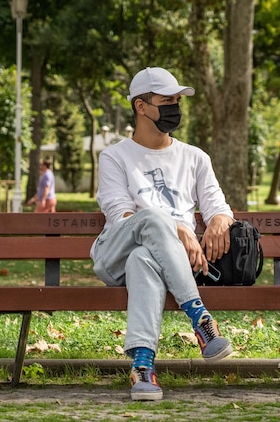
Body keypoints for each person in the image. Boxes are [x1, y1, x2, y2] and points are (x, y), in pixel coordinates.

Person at [90, 67, 234, 401]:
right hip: (115, 255)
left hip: (157, 262)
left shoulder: (195, 157)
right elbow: (122, 215)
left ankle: (143, 368)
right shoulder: (114, 156)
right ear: (141, 107)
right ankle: (200, 317)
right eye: (166, 100)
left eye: (177, 101)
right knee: (150, 223)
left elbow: (219, 207)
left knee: (145, 259)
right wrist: (177, 226)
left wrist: (217, 222)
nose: (175, 108)